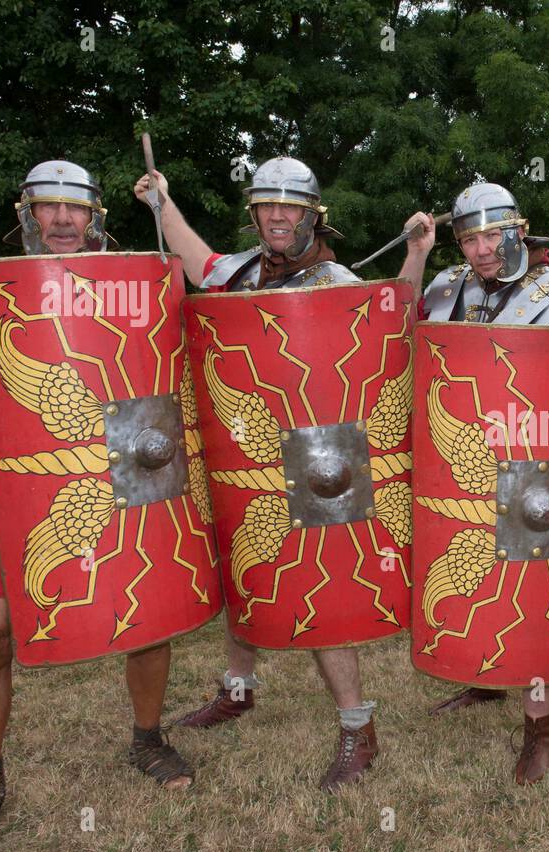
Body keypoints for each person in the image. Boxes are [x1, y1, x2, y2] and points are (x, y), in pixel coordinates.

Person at [0, 151, 194, 851]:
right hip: (41, 485)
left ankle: (147, 738)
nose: (61, 218)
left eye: (74, 207)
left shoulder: (140, 276)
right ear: (26, 215)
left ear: (95, 218)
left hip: (136, 466)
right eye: (47, 207)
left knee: (147, 612)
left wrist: (168, 210)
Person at [136, 157, 430, 790]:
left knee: (320, 593)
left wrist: (417, 256)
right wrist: (163, 204)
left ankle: (358, 726)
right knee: (247, 570)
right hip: (247, 452)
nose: (276, 216)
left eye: (289, 207)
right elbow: (194, 260)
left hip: (320, 461)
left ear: (311, 215)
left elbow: (390, 324)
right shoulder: (240, 269)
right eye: (266, 205)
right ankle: (238, 691)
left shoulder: (334, 278)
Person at [401, 182, 549, 784]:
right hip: (462, 456)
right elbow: (393, 326)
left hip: (531, 462)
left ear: (518, 230)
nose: (482, 250)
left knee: (533, 593)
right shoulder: (446, 287)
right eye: (468, 239)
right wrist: (417, 252)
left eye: (491, 235)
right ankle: (485, 678)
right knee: (475, 577)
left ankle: (539, 728)